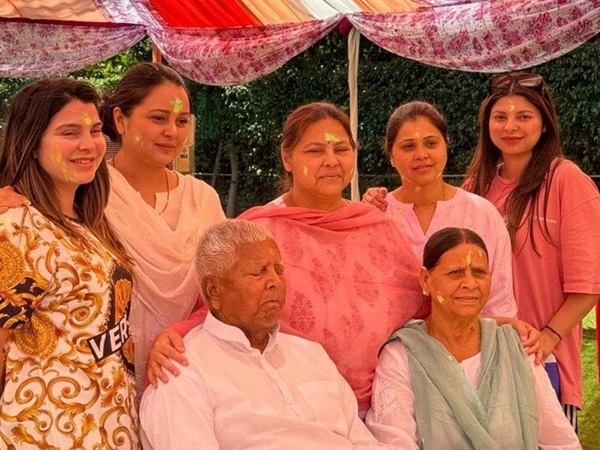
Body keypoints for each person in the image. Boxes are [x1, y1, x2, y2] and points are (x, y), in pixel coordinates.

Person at [147, 102, 427, 414]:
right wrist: (175, 334)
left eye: (341, 149)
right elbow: (219, 305)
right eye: (315, 151)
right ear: (287, 158)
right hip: (287, 407)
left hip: (380, 408)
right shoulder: (258, 233)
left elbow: (423, 301)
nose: (331, 161)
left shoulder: (378, 228)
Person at [0, 63, 226, 393]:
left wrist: (181, 330)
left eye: (181, 121)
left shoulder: (202, 199)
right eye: (158, 118)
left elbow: (222, 291)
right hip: (74, 390)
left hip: (180, 365)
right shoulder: (85, 191)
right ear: (120, 120)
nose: (172, 132)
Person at [140, 220, 388, 449]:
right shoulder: (182, 372)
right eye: (258, 272)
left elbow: (363, 443)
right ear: (214, 290)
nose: (274, 282)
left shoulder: (311, 354)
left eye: (278, 270)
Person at [0, 79, 138, 448]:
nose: (88, 144)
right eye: (69, 132)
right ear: (31, 143)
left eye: (94, 130)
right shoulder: (17, 227)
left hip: (104, 424)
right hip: (45, 432)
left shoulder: (86, 221)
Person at [464, 72, 600, 429]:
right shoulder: (475, 186)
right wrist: (381, 203)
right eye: (500, 116)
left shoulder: (566, 181)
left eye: (523, 116)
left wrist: (549, 336)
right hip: (480, 360)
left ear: (544, 123)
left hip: (543, 360)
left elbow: (588, 285)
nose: (510, 126)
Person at [366, 227, 581, 449]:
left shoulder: (517, 347)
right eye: (455, 273)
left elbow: (560, 442)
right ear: (425, 279)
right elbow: (396, 442)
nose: (470, 283)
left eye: (479, 272)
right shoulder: (402, 356)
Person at [361, 101, 516, 318]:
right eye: (408, 146)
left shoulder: (482, 214)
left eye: (431, 143)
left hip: (474, 336)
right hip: (391, 338)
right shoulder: (377, 216)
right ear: (390, 155)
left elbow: (500, 301)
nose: (421, 154)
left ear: (446, 145)